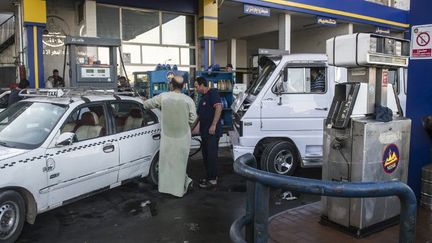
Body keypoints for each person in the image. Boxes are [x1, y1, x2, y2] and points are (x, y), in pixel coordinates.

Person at [142, 76, 197, 197]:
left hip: (168, 137)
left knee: (167, 163)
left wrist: (143, 100)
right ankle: (179, 190)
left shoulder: (163, 96)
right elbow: (193, 118)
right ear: (183, 87)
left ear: (171, 85)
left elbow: (147, 105)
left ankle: (166, 189)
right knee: (180, 164)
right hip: (183, 137)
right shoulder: (188, 100)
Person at [192, 77, 223, 189]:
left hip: (212, 132)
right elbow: (199, 117)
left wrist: (214, 124)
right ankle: (210, 177)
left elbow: (219, 107)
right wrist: (190, 129)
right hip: (205, 132)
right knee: (206, 156)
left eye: (196, 86)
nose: (196, 89)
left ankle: (213, 180)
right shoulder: (203, 98)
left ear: (202, 85)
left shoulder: (212, 93)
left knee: (211, 156)